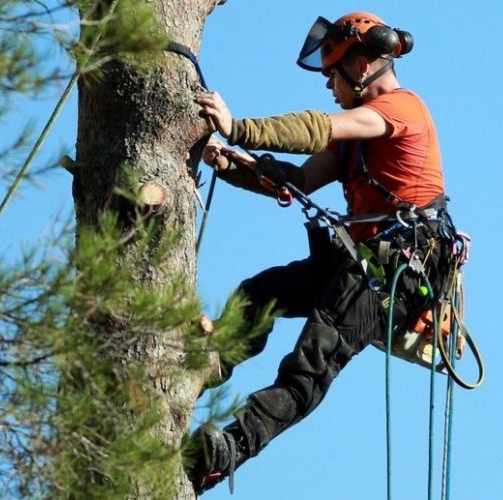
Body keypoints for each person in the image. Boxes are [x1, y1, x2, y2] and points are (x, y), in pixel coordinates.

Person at [187, 12, 455, 493]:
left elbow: (314, 128)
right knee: (260, 293)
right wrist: (230, 164)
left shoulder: (400, 110)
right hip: (360, 261)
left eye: (333, 73)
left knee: (309, 364)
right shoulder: (356, 142)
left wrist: (239, 128)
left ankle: (228, 451)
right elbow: (300, 178)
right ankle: (210, 361)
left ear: (361, 65)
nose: (329, 84)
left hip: (395, 271)